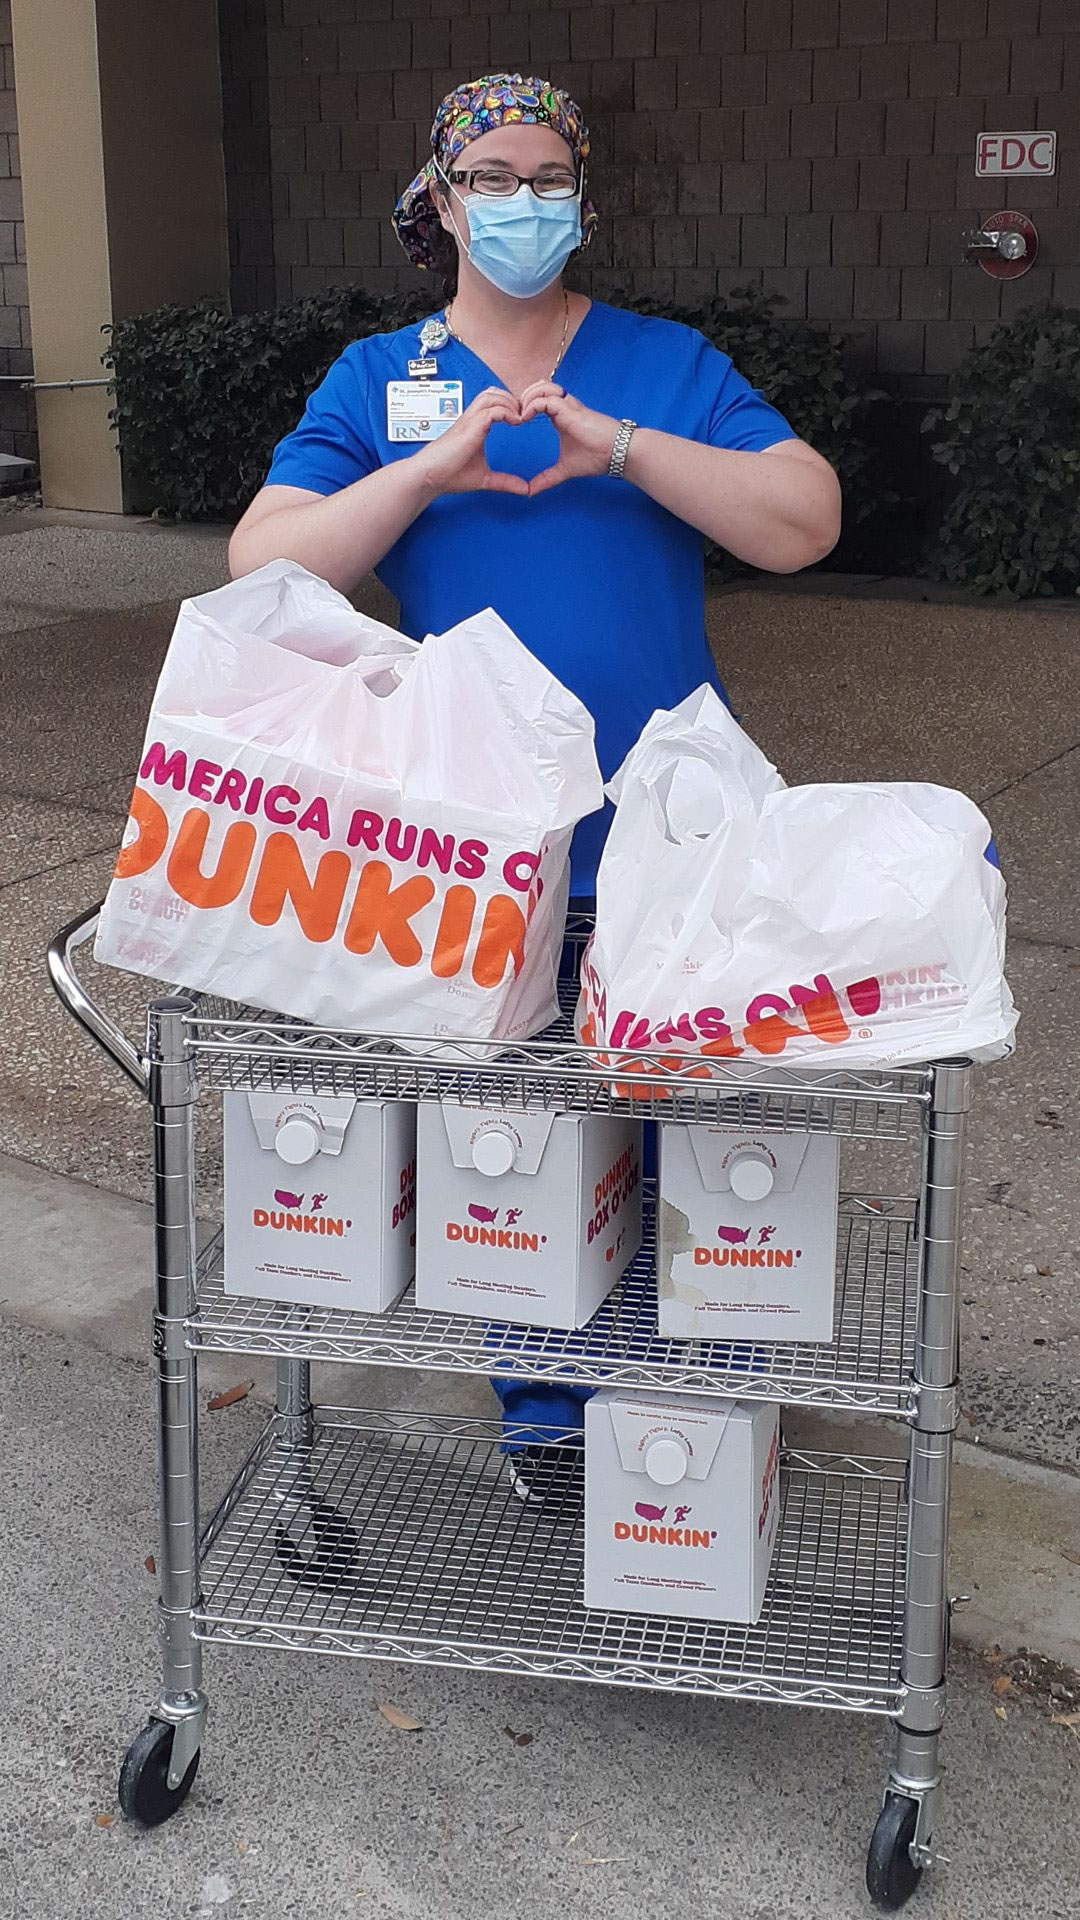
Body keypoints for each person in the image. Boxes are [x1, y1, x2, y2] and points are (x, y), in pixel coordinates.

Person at [230, 71, 842, 1504]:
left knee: (693, 1121)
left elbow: (803, 519)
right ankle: (549, 1404)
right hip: (485, 847)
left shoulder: (664, 363)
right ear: (441, 205)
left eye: (550, 177)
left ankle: (698, 1395)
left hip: (671, 838)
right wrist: (427, 471)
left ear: (585, 199)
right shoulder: (376, 381)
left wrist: (617, 445)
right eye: (492, 178)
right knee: (522, 1135)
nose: (524, 200)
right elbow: (262, 564)